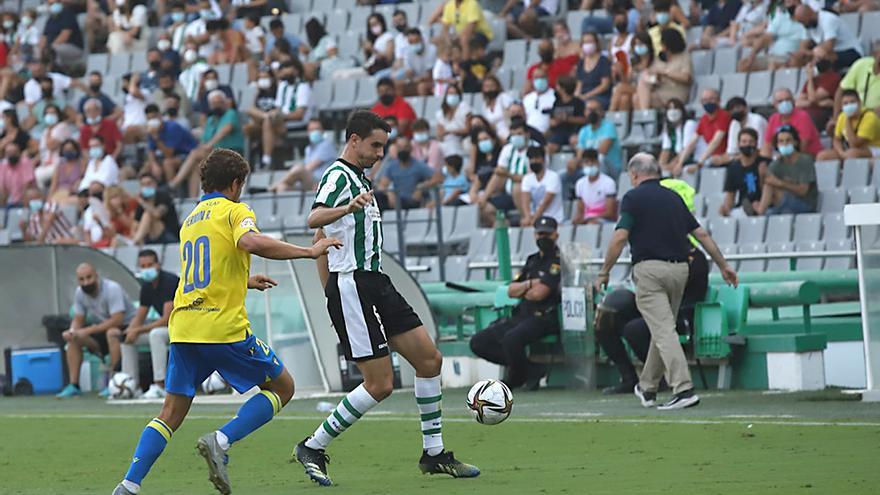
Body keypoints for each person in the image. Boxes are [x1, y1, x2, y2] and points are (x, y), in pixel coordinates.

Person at [112, 148, 341, 495]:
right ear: (236, 184)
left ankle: (129, 485)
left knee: (170, 413)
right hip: (221, 328)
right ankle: (221, 440)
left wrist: (244, 280)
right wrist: (308, 252)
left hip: (185, 326)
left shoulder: (191, 219)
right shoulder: (236, 211)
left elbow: (204, 269)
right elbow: (248, 241)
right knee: (283, 387)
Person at [294, 110, 479, 487]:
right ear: (354, 140)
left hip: (377, 282)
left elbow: (324, 239)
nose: (380, 153)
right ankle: (313, 446)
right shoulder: (337, 176)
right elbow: (314, 221)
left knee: (429, 360)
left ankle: (433, 453)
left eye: (384, 146)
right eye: (375, 145)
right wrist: (334, 289)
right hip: (353, 286)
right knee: (379, 384)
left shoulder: (362, 180)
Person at [597, 153, 737, 410]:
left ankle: (683, 389)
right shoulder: (673, 197)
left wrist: (605, 270)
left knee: (662, 331)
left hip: (650, 270)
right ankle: (647, 387)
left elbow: (619, 238)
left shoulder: (632, 198)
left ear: (634, 174)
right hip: (679, 271)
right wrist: (723, 264)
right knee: (664, 329)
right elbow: (701, 234)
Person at [596, 243, 708, 394]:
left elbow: (669, 287)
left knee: (634, 329)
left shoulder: (692, 258)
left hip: (680, 313)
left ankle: (658, 378)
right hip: (653, 305)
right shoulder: (658, 251)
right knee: (606, 320)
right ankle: (628, 377)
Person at [470, 216, 561, 388]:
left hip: (544, 317)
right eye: (539, 234)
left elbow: (540, 295)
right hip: (522, 314)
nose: (543, 238)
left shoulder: (558, 261)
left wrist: (525, 289)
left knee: (512, 339)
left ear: (556, 235)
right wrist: (531, 283)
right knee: (478, 342)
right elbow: (511, 290)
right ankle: (531, 370)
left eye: (547, 234)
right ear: (534, 235)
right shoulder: (532, 260)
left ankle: (516, 379)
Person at [56, 263, 137, 399]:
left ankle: (113, 382)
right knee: (74, 339)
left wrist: (86, 331)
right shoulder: (79, 293)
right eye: (82, 279)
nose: (86, 282)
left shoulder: (112, 289)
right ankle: (74, 385)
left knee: (112, 333)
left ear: (96, 276)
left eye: (89, 277)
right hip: (101, 329)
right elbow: (78, 319)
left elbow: (117, 319)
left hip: (126, 327)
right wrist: (72, 331)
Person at [172, 91, 245, 197]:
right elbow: (204, 140)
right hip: (215, 153)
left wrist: (209, 145)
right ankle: (194, 199)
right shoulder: (211, 120)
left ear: (224, 102)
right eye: (213, 103)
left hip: (231, 152)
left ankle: (174, 184)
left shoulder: (231, 113)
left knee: (195, 154)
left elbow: (225, 130)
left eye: (219, 102)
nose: (216, 105)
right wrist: (205, 146)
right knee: (196, 166)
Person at [480, 119, 532, 225]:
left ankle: (527, 220)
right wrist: (484, 198)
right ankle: (507, 229)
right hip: (509, 194)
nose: (516, 137)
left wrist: (508, 175)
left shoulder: (535, 149)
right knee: (485, 209)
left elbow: (532, 178)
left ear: (527, 134)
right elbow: (499, 173)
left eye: (519, 134)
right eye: (513, 135)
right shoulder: (508, 149)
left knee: (517, 187)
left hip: (527, 193)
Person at [757, 125, 818, 215]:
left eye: (788, 140)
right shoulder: (776, 164)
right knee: (769, 185)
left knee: (772, 187)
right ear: (777, 145)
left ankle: (759, 214)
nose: (784, 144)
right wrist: (762, 176)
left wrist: (779, 183)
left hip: (806, 205)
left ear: (795, 142)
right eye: (781, 141)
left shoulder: (805, 160)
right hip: (783, 205)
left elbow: (803, 191)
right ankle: (759, 214)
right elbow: (766, 188)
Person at [269, 119, 337, 192]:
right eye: (311, 130)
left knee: (298, 169)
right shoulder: (308, 148)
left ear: (322, 131)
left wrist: (295, 173)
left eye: (317, 129)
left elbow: (309, 167)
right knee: (282, 187)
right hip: (308, 182)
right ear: (308, 132)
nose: (314, 132)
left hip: (321, 183)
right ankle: (277, 187)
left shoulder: (327, 145)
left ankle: (272, 187)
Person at [673, 88, 731, 175]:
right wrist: (679, 163)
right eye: (705, 100)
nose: (708, 102)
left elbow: (715, 142)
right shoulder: (704, 119)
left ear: (718, 100)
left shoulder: (724, 116)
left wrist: (699, 163)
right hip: (712, 158)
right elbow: (692, 142)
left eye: (711, 99)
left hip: (726, 157)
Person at [739, 0, 806, 71]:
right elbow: (766, 37)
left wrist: (791, 61)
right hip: (773, 55)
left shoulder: (804, 19)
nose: (788, 3)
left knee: (773, 66)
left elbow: (803, 48)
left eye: (790, 1)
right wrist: (752, 54)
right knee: (744, 64)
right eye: (786, 2)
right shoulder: (781, 16)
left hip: (790, 57)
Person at [636, 27, 692, 111]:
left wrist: (665, 73)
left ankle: (645, 116)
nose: (660, 44)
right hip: (661, 90)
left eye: (662, 42)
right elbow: (655, 74)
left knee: (641, 91)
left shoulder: (684, 57)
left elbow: (686, 78)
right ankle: (645, 120)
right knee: (636, 97)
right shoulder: (660, 57)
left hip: (676, 93)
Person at [793, 5, 862, 72]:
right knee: (798, 60)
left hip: (851, 51)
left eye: (804, 22)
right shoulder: (807, 25)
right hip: (831, 54)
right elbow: (803, 47)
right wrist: (802, 55)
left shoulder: (828, 19)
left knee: (824, 59)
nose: (804, 25)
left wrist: (810, 53)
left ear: (810, 14)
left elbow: (828, 47)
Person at [375, 136, 437, 210]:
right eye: (400, 147)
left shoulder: (418, 165)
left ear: (410, 148)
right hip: (395, 198)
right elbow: (382, 185)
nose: (403, 150)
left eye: (405, 147)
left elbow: (438, 177)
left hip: (411, 200)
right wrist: (389, 193)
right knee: (376, 197)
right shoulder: (392, 166)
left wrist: (422, 186)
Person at [818, 89, 880, 161]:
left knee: (852, 154)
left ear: (859, 103)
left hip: (873, 148)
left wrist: (848, 120)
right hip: (850, 150)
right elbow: (836, 139)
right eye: (845, 103)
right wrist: (841, 153)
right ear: (841, 106)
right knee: (822, 156)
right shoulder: (842, 116)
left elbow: (854, 144)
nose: (849, 105)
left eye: (852, 102)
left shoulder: (869, 117)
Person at [720, 128, 769, 217]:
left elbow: (769, 188)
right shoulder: (733, 167)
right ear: (738, 144)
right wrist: (725, 209)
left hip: (763, 205)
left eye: (751, 142)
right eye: (744, 142)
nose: (747, 145)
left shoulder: (765, 163)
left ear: (756, 144)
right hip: (743, 207)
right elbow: (730, 195)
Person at [763, 88, 822, 157]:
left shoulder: (802, 116)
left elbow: (802, 146)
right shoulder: (773, 119)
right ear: (774, 104)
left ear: (793, 101)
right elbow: (767, 144)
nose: (784, 103)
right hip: (782, 156)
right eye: (780, 101)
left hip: (807, 156)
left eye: (787, 99)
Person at [835, 41, 880, 129]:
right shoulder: (861, 65)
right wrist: (836, 119)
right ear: (874, 54)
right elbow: (841, 91)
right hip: (854, 118)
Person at [577, 98, 623, 178]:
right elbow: (580, 155)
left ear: (602, 112)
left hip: (610, 167)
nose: (592, 113)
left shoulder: (609, 126)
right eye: (589, 110)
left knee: (601, 160)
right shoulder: (584, 131)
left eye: (595, 110)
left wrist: (587, 159)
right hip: (589, 166)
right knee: (565, 175)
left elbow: (602, 151)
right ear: (585, 112)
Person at [520, 147, 564, 225]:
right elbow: (525, 200)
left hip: (553, 219)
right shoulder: (527, 179)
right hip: (535, 218)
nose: (534, 161)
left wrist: (534, 220)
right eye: (531, 159)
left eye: (537, 158)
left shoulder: (553, 176)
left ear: (543, 160)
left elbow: (546, 202)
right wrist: (528, 217)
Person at [132, 174, 180, 245]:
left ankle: (134, 243)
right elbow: (135, 224)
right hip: (150, 237)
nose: (146, 186)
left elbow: (157, 214)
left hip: (170, 236)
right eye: (143, 184)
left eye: (149, 183)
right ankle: (136, 242)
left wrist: (142, 202)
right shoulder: (142, 203)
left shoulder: (164, 197)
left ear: (155, 184)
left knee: (148, 215)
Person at [573, 149, 617, 224]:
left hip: (604, 221)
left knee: (591, 223)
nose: (590, 164)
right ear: (582, 164)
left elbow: (610, 213)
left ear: (598, 163)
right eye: (587, 162)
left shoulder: (609, 183)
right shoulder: (579, 184)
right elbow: (580, 211)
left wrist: (590, 218)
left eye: (593, 162)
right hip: (587, 219)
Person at [40, 0, 85, 72]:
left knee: (54, 51)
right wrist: (41, 49)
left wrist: (50, 48)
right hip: (52, 47)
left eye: (54, 3)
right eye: (50, 4)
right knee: (38, 52)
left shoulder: (67, 14)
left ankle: (56, 72)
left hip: (72, 47)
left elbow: (65, 34)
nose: (52, 6)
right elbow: (44, 36)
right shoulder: (50, 19)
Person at [658, 98, 699, 174]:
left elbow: (687, 149)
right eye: (669, 109)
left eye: (675, 108)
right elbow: (665, 150)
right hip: (681, 159)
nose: (673, 111)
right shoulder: (668, 128)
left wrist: (671, 165)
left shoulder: (689, 124)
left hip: (693, 159)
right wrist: (660, 167)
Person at [797, 58, 840, 130]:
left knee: (806, 120)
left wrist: (810, 78)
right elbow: (798, 103)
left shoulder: (833, 78)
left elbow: (812, 98)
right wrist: (819, 103)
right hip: (808, 110)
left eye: (812, 65)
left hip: (822, 113)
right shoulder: (811, 81)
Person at [548, 75, 586, 153]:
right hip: (559, 132)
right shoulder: (556, 103)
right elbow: (551, 120)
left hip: (574, 131)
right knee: (549, 147)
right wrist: (554, 122)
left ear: (563, 88)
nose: (556, 88)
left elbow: (583, 120)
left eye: (558, 86)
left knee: (576, 141)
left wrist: (567, 119)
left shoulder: (578, 102)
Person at [575, 31, 612, 110]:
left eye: (590, 42)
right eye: (585, 42)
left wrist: (587, 95)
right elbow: (579, 84)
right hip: (584, 96)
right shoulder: (581, 62)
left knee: (589, 105)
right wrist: (577, 95)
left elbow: (604, 85)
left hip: (600, 96)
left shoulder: (603, 61)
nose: (588, 44)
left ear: (596, 43)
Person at [724, 97, 768, 163]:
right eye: (732, 109)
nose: (735, 111)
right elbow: (732, 150)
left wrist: (735, 158)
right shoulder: (734, 123)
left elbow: (759, 148)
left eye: (738, 107)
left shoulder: (757, 120)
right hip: (742, 157)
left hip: (762, 156)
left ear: (746, 108)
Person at [435, 84, 471, 156]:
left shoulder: (464, 107)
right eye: (450, 93)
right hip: (446, 140)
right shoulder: (441, 113)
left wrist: (449, 131)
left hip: (462, 138)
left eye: (455, 93)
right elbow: (439, 134)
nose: (453, 96)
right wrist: (442, 134)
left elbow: (468, 129)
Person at [523, 66, 556, 135]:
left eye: (542, 77)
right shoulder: (527, 98)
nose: (539, 80)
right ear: (532, 80)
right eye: (536, 78)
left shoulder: (555, 96)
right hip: (529, 135)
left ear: (548, 78)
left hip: (547, 134)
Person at [479, 75, 514, 140]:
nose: (489, 89)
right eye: (487, 86)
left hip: (508, 133)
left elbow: (512, 114)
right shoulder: (484, 105)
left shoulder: (503, 97)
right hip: (494, 136)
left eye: (492, 86)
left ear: (497, 87)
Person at [0, 141, 35, 207]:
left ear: (19, 152)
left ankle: (25, 214)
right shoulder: (3, 165)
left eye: (14, 152)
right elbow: (1, 186)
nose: (12, 155)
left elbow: (28, 183)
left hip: (24, 197)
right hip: (9, 197)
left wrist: (20, 199)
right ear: (5, 154)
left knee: (28, 193)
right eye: (9, 153)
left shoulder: (25, 162)